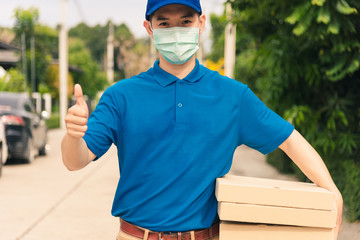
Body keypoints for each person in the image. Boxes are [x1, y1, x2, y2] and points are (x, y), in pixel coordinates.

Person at [61, 0, 343, 239]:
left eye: (185, 22)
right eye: (164, 23)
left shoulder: (233, 96)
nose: (176, 31)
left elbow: (289, 140)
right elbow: (76, 161)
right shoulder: (121, 96)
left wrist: (332, 191)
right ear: (149, 28)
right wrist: (73, 136)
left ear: (201, 23)